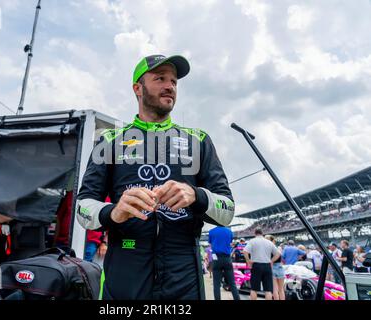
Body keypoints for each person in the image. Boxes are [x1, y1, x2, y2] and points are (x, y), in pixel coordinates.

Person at [76, 54, 235, 300]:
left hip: (183, 268)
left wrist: (197, 196)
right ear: (137, 88)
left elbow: (228, 210)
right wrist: (113, 212)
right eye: (160, 78)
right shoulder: (108, 140)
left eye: (174, 81)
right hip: (126, 264)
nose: (170, 85)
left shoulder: (199, 140)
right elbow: (82, 207)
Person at [243, 229, 280, 300]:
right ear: (262, 233)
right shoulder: (269, 242)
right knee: (268, 290)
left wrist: (248, 261)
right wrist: (271, 261)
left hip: (256, 265)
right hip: (267, 266)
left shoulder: (252, 241)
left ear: (255, 233)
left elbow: (245, 251)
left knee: (254, 289)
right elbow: (278, 253)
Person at [209, 226, 240, 300]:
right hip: (227, 258)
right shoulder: (229, 231)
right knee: (232, 283)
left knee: (216, 284)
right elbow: (229, 243)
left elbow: (211, 245)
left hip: (216, 258)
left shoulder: (211, 231)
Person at [265, 235, 285, 300]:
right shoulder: (278, 247)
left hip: (272, 267)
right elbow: (279, 254)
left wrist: (271, 261)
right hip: (280, 267)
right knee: (281, 290)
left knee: (274, 290)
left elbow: (278, 254)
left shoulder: (267, 249)